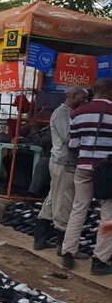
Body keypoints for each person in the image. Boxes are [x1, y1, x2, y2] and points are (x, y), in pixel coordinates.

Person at [62, 78, 112, 275]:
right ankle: (99, 260)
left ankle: (67, 252)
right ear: (110, 92)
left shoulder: (77, 113)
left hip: (83, 167)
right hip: (108, 171)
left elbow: (73, 145)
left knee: (78, 208)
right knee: (108, 215)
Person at [34, 87, 89, 252]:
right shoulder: (63, 113)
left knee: (53, 199)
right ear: (72, 96)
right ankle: (64, 246)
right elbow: (69, 138)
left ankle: (40, 239)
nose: (86, 101)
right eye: (83, 97)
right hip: (64, 162)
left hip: (60, 161)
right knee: (64, 203)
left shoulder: (65, 112)